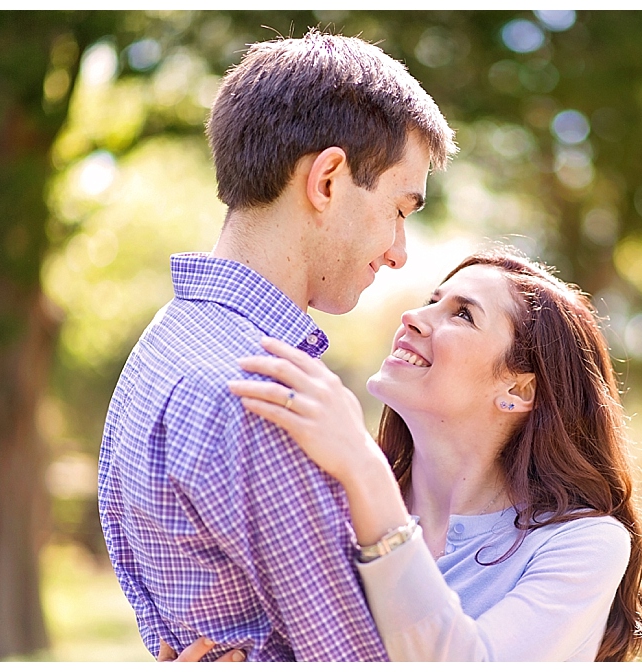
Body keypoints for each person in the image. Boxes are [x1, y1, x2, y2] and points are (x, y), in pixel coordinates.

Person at [97, 29, 456, 663]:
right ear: (327, 180)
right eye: (401, 209)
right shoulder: (266, 396)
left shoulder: (167, 341)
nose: (401, 253)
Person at [171, 249, 642, 661]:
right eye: (431, 301)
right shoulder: (330, 502)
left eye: (462, 314)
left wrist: (364, 468)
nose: (414, 316)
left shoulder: (583, 544)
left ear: (517, 387)